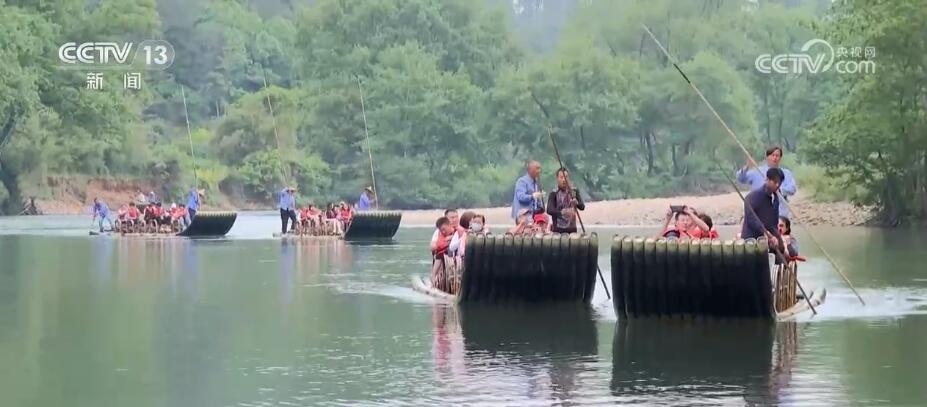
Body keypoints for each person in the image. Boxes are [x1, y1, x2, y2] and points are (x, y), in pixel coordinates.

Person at [736, 146, 797, 217]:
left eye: (777, 156)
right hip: (759, 212)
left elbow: (792, 189)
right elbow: (741, 178)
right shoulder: (757, 171)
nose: (774, 158)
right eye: (772, 155)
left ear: (780, 158)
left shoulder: (786, 173)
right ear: (767, 157)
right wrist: (747, 167)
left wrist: (778, 190)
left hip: (779, 213)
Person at [742, 168, 786, 253]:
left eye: (779, 183)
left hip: (769, 236)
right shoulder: (754, 197)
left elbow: (773, 222)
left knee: (781, 249)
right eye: (775, 182)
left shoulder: (775, 198)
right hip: (752, 239)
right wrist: (765, 232)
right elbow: (751, 218)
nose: (777, 185)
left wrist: (776, 237)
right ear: (767, 180)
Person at [547, 168, 585, 234]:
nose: (564, 180)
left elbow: (582, 207)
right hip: (558, 229)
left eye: (566, 177)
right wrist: (562, 213)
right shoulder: (553, 193)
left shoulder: (574, 191)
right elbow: (549, 210)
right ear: (557, 179)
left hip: (572, 229)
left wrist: (577, 203)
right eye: (561, 177)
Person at [431, 216, 456, 292]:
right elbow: (439, 245)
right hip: (443, 256)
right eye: (441, 230)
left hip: (455, 256)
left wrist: (452, 237)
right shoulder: (441, 235)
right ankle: (433, 280)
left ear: (449, 225)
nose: (443, 232)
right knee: (439, 255)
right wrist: (447, 239)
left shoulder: (457, 231)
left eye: (444, 229)